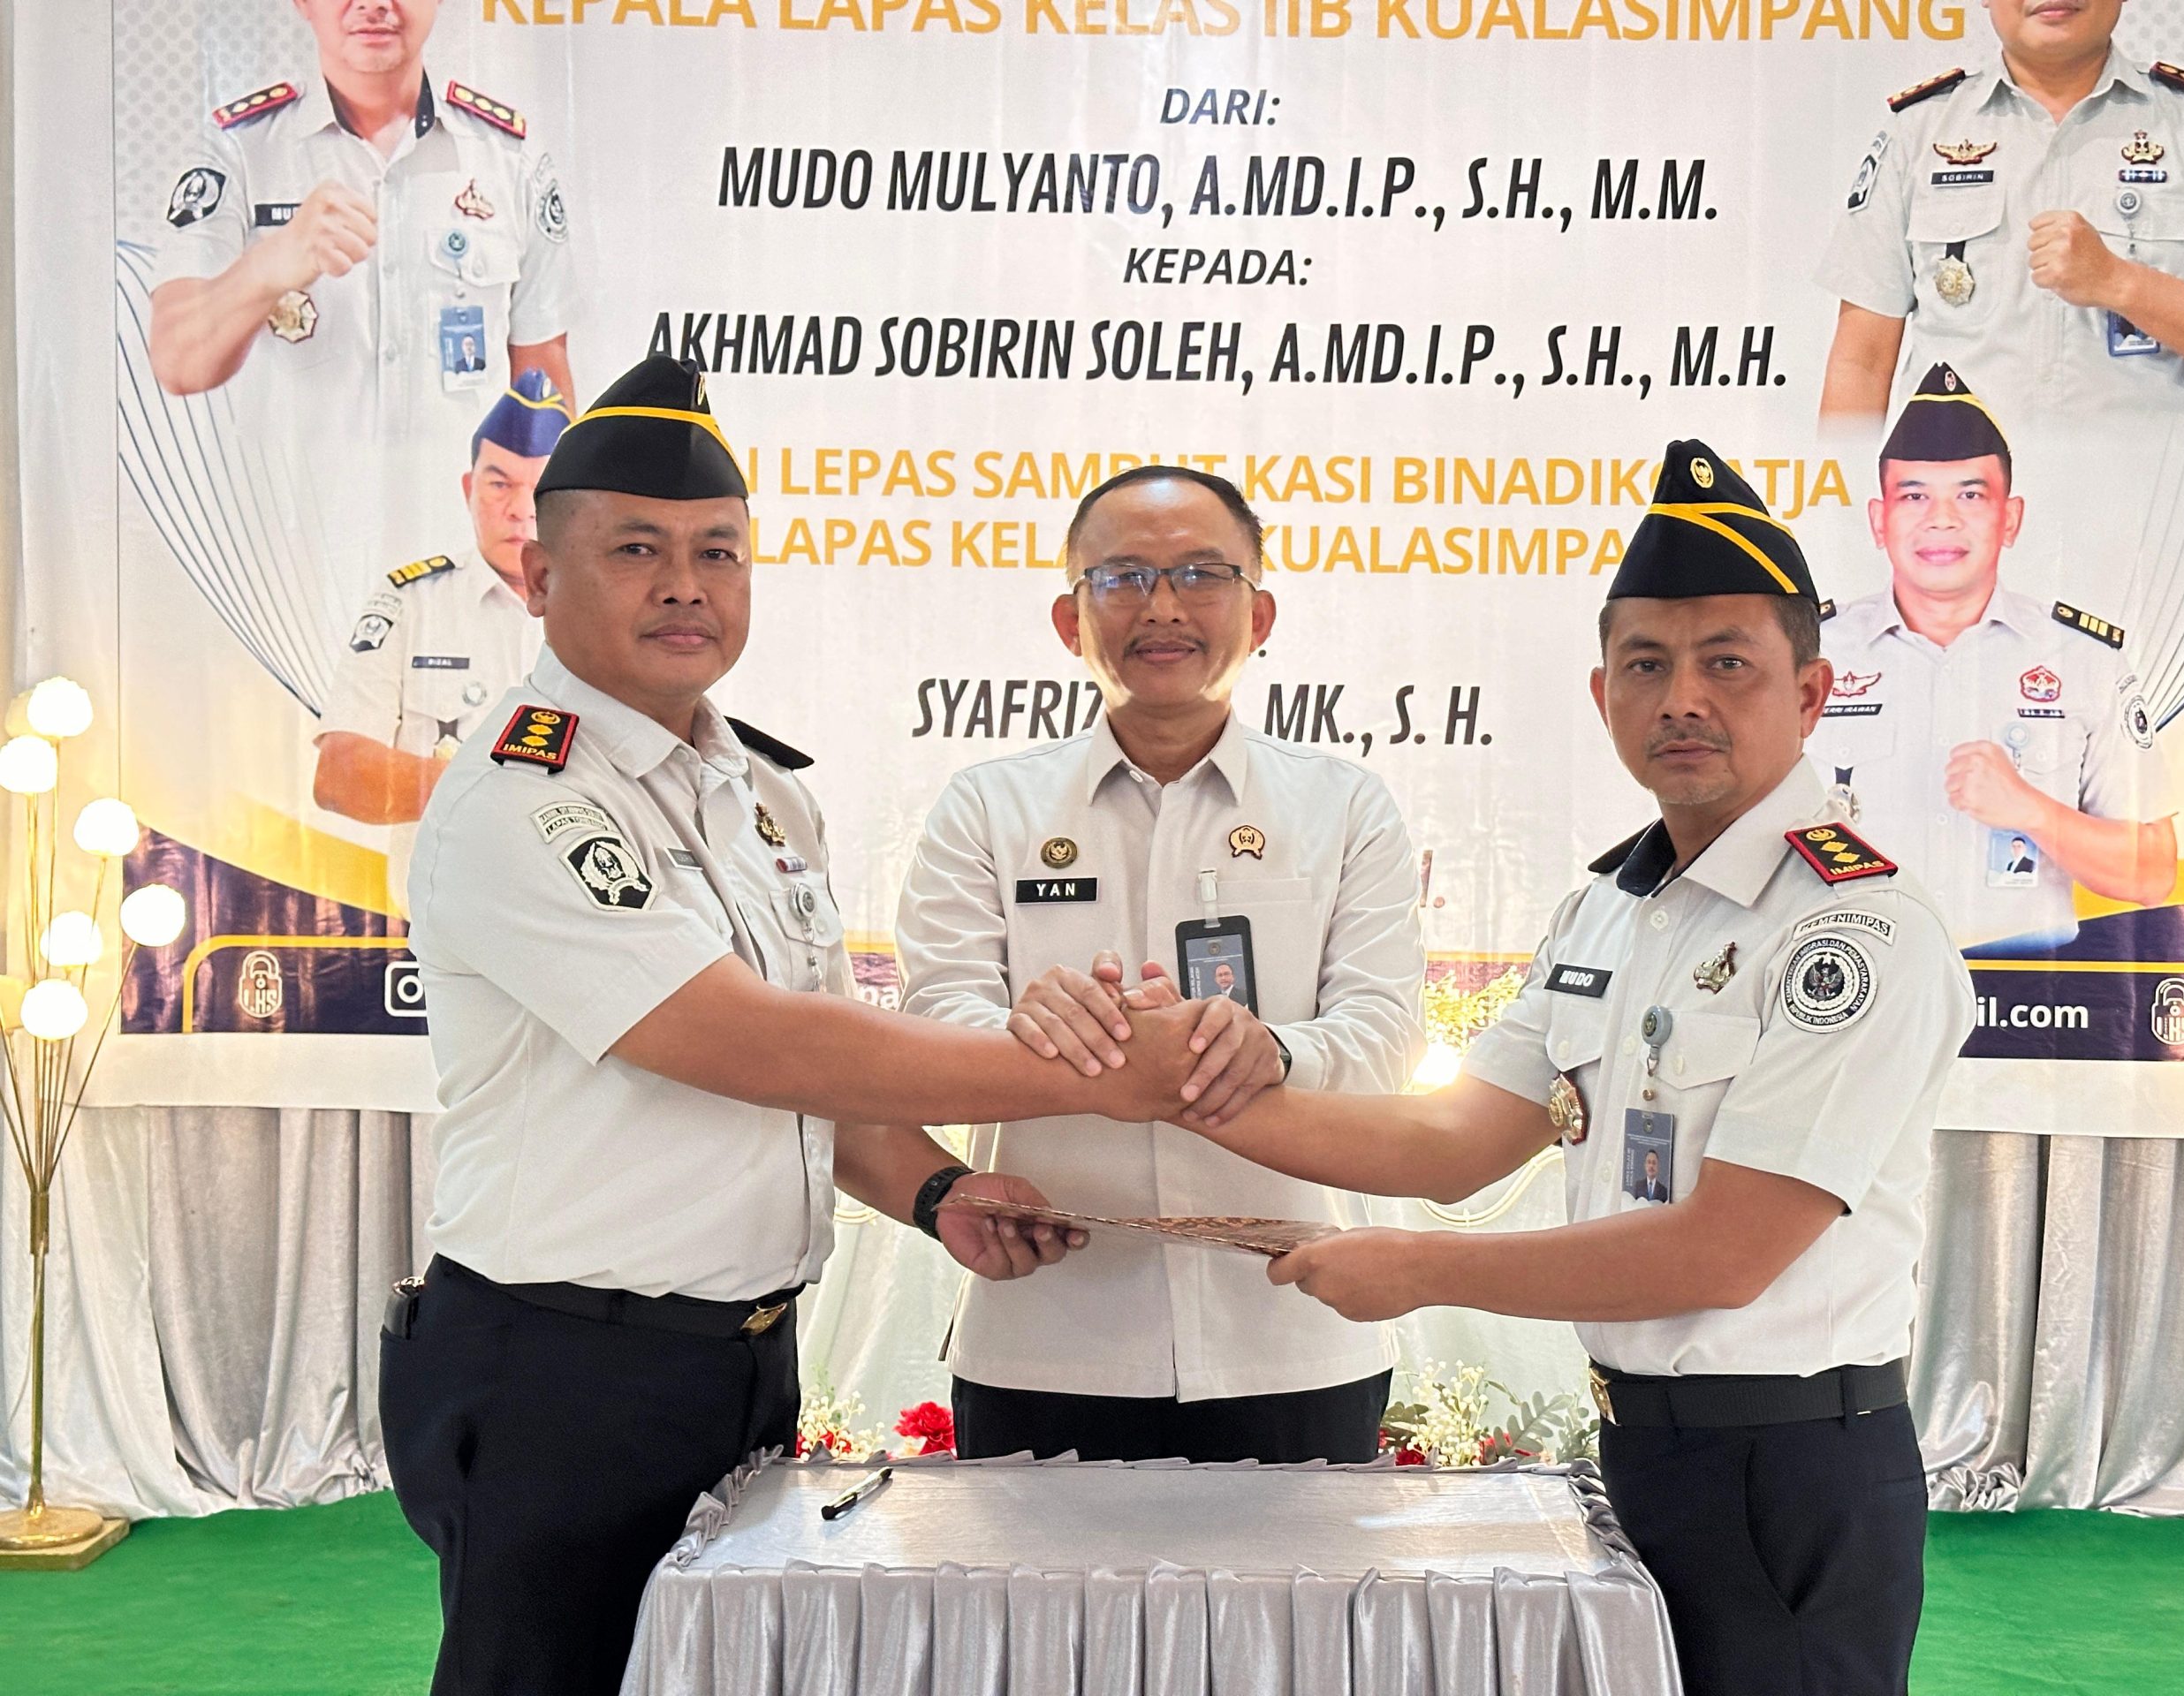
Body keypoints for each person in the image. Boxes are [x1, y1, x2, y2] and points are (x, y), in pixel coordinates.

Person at [378, 357, 1207, 1696]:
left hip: (739, 1359)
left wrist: (934, 1189)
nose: (684, 585)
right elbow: (746, 1042)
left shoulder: (764, 795)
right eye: (636, 550)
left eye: (717, 551)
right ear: (536, 577)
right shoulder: (520, 795)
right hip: (558, 1371)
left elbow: (814, 1078)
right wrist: (1098, 1075)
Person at [1144, 440, 1976, 1696]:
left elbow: (1725, 1252)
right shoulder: (1612, 911)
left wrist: (1420, 1272)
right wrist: (1181, 1083)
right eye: (1646, 665)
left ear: (1812, 694)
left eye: (1726, 664)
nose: (1680, 699)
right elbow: (1454, 1142)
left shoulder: (1851, 931)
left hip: (1792, 1466)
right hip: (1641, 1454)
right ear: (1602, 696)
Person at [894, 465, 1424, 1465]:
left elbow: (1385, 1036)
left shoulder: (1344, 807)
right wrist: (1044, 1033)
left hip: (1291, 1334)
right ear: (1070, 620)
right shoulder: (988, 809)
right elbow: (932, 1029)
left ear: (1260, 614)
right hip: (1049, 1335)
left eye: (1201, 575)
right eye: (1124, 577)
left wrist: (1270, 1052)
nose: (1164, 607)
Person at [149, 0, 578, 581]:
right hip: (290, 562)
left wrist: (555, 547)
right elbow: (176, 360)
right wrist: (270, 262)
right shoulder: (240, 150)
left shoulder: (507, 158)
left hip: (461, 566)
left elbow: (541, 370)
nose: (374, 4)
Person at [1818, 361, 2175, 950]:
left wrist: (2030, 809)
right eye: (1914, 496)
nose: (1941, 519)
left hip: (2028, 989)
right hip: (1855, 980)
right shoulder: (1812, 657)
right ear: (1879, 521)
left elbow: (2153, 872)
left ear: (2010, 519)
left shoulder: (2082, 660)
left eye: (1970, 495)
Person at [1815, 0, 2184, 430]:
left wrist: (2119, 282)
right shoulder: (1919, 129)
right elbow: (1862, 359)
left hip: (2151, 478)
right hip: (1960, 479)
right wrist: (1841, 481)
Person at [315, 371, 568, 915]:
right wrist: (502, 794)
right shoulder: (412, 602)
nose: (521, 509)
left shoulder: (609, 612)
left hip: (578, 926)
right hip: (446, 929)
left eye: (541, 488)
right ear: (468, 488)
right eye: (499, 484)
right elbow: (340, 778)